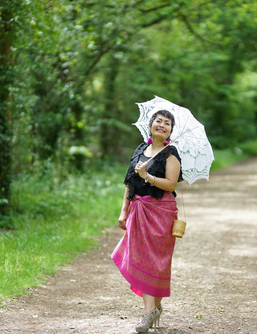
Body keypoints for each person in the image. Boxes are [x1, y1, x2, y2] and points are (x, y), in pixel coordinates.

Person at [111, 109, 182, 333]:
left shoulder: (171, 153)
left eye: (167, 123)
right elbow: (129, 183)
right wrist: (124, 210)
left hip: (161, 212)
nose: (162, 125)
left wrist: (148, 177)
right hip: (138, 210)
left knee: (157, 262)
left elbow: (171, 184)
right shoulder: (141, 149)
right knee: (140, 258)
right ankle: (151, 310)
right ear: (150, 125)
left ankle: (150, 311)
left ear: (171, 130)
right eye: (158, 121)